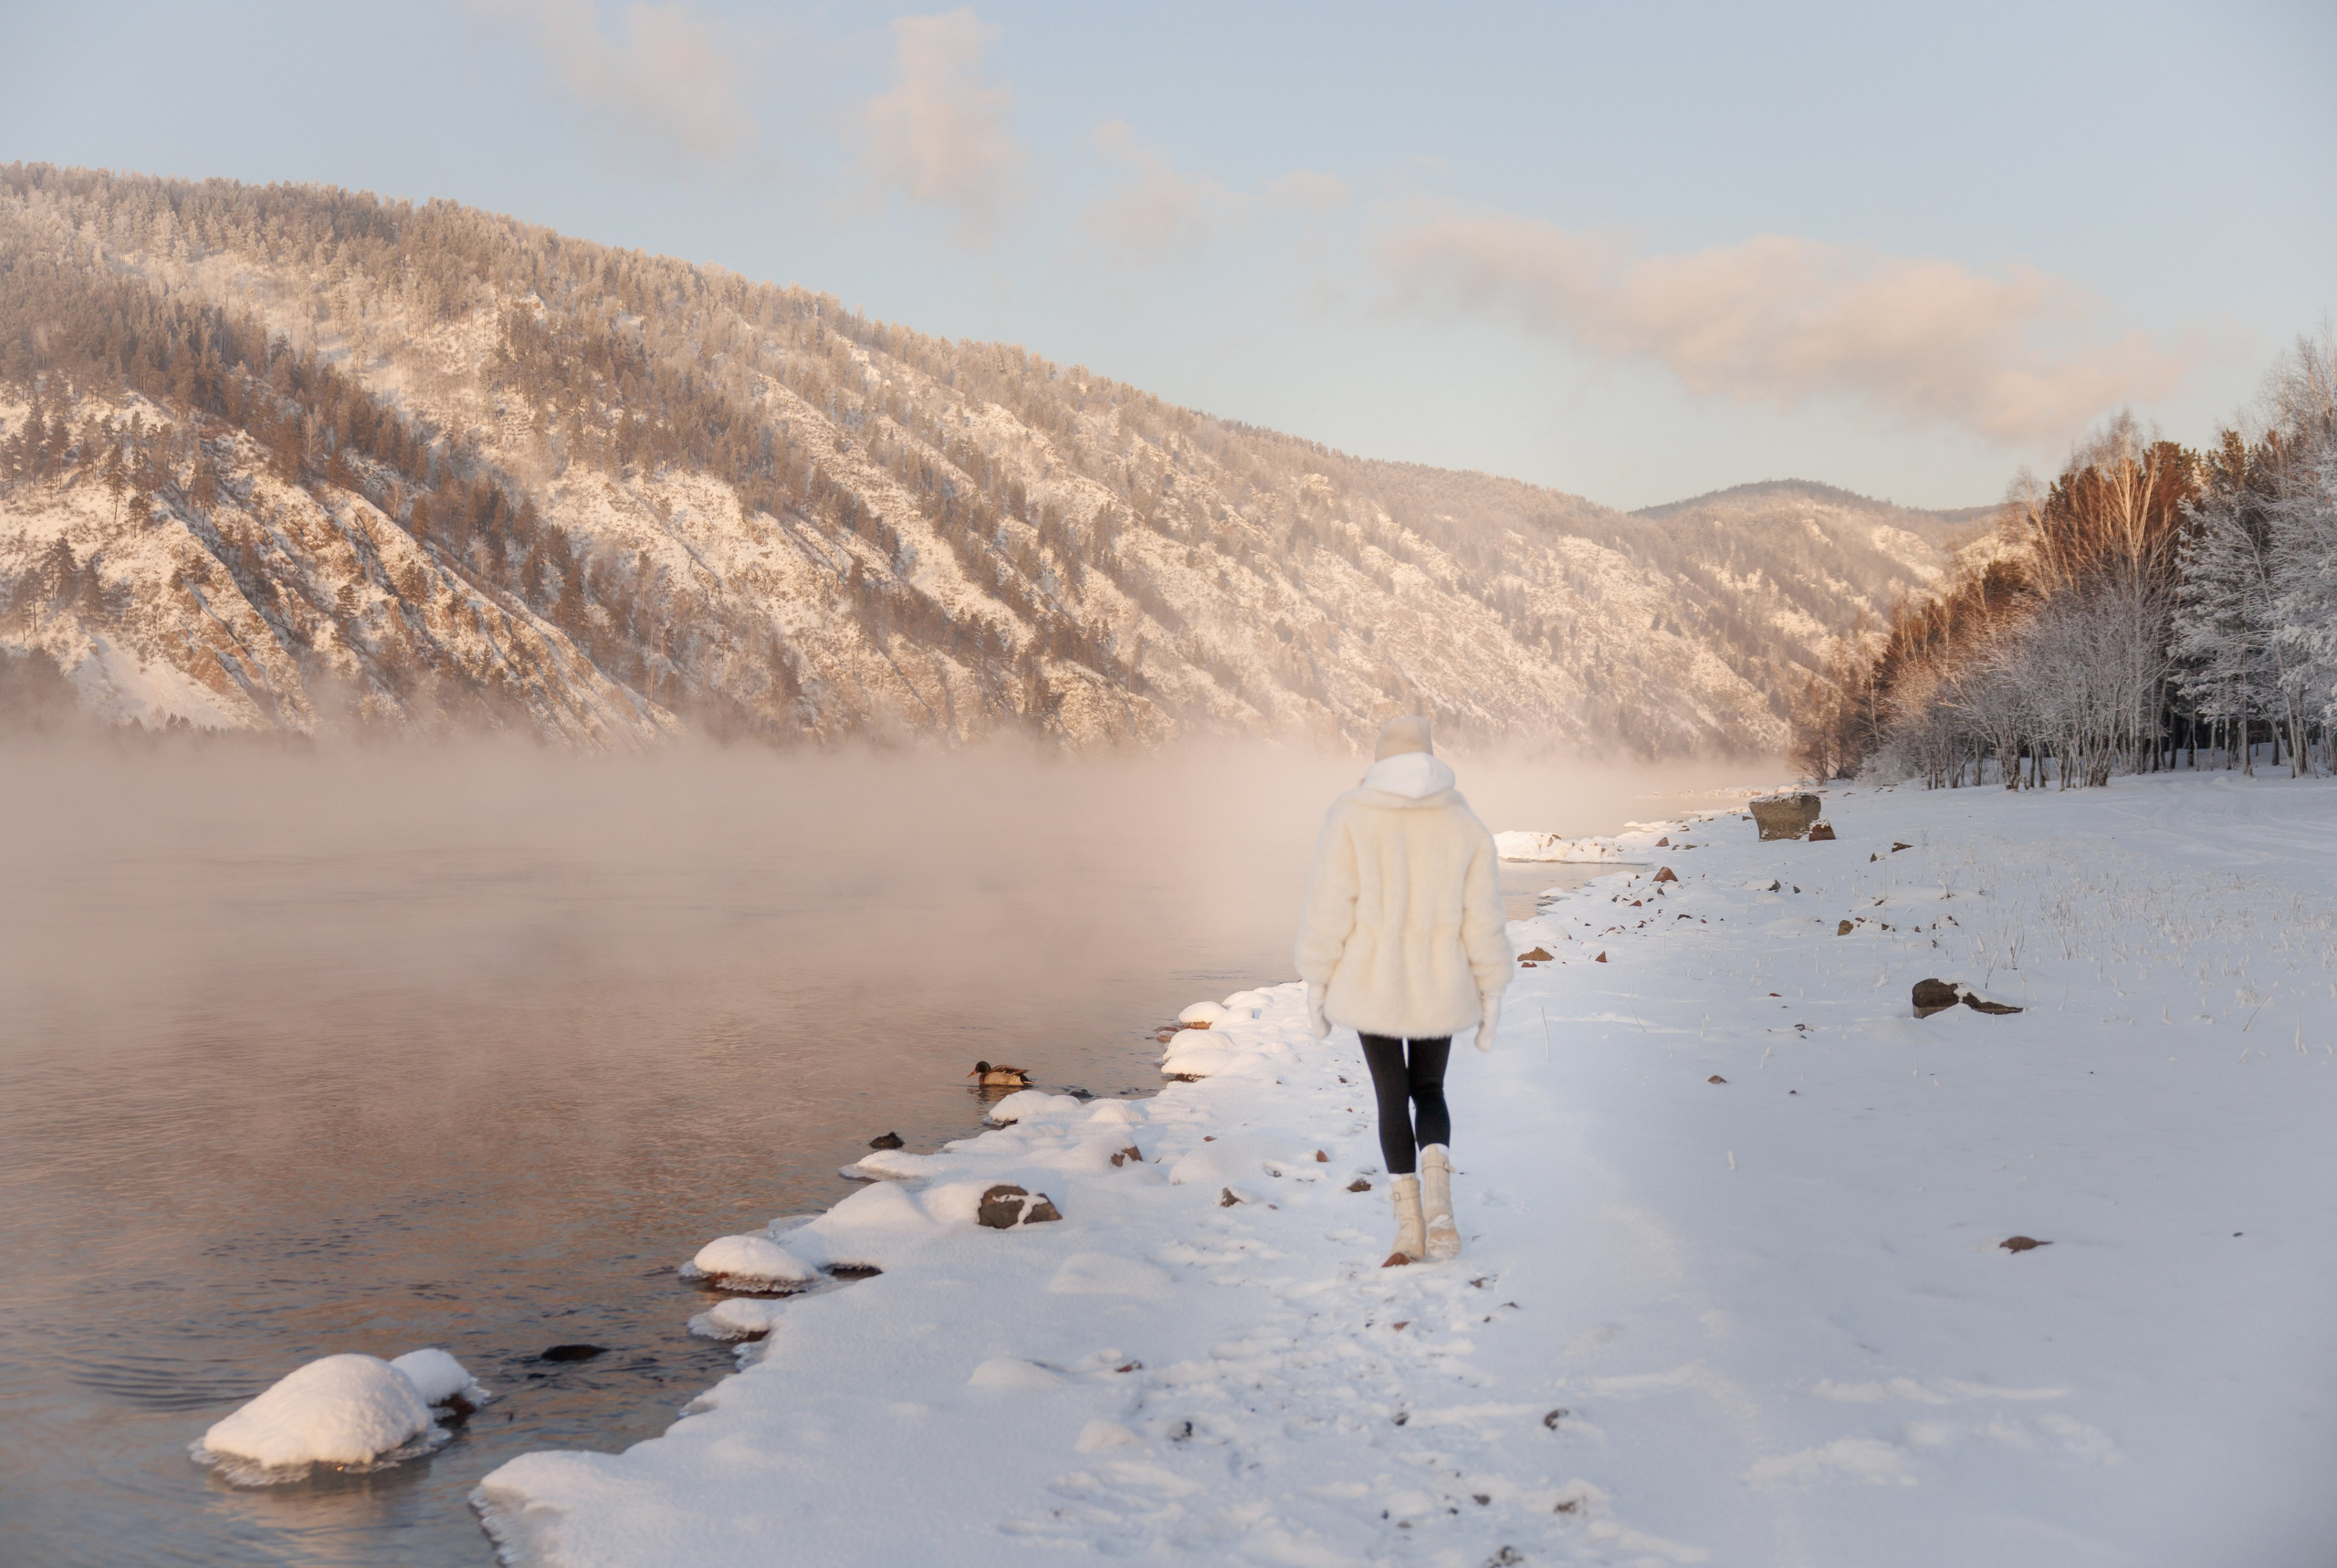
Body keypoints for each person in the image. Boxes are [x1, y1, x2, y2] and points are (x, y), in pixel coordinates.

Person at [1295, 716, 1511, 1265]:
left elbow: (1328, 907)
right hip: (1442, 982)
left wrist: (1317, 981)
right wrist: (1491, 994)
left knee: (1391, 1097)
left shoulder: (1350, 815)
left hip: (1373, 984)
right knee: (1431, 1091)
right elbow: (1482, 918)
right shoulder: (1463, 821)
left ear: (1378, 759)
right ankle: (1440, 1205)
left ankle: (1409, 1229)